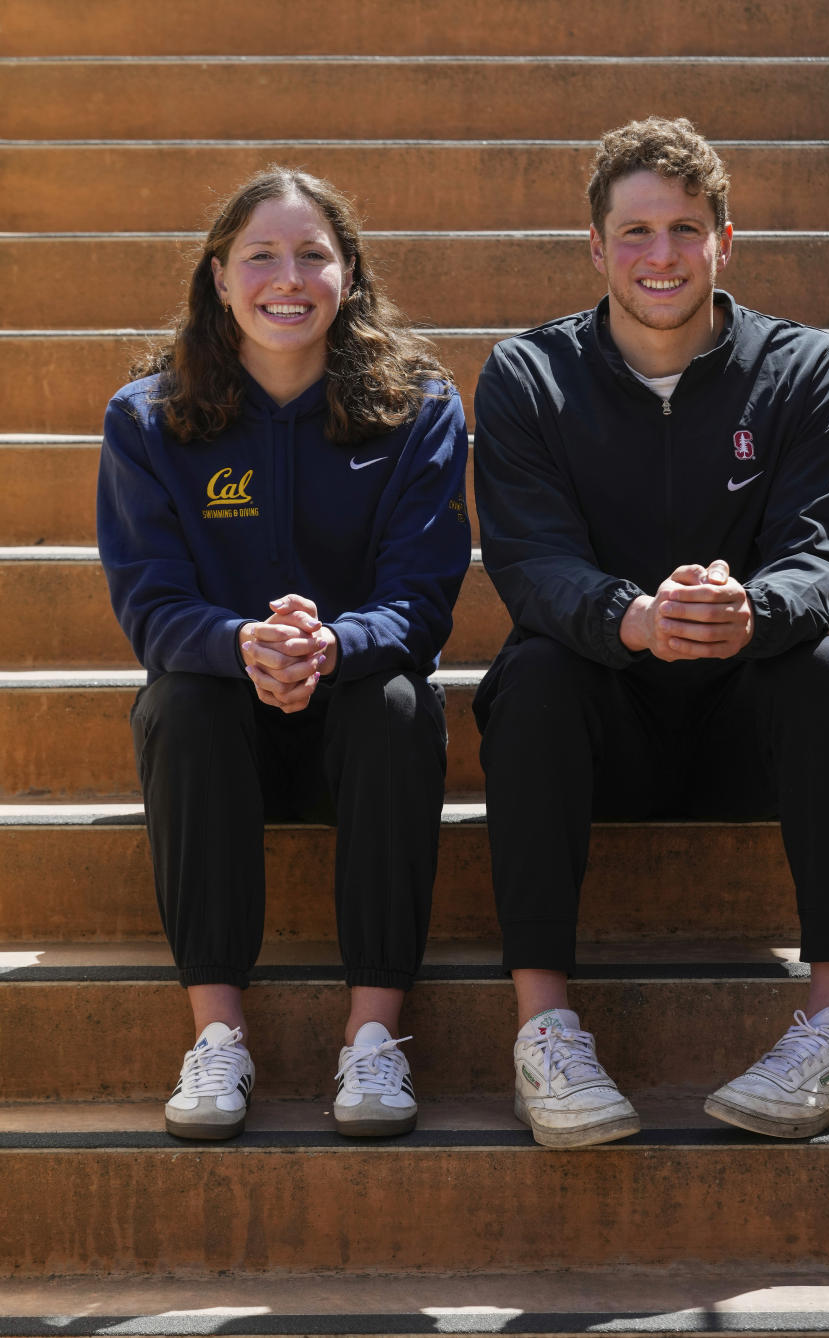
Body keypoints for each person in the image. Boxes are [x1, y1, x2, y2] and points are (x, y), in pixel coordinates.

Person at [472, 117, 829, 1148]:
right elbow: (528, 560)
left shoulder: (802, 368)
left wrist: (752, 611)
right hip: (601, 729)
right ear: (597, 248)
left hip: (748, 727)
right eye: (637, 232)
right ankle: (545, 1031)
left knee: (828, 673)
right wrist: (632, 618)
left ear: (724, 243)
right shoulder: (529, 374)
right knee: (530, 678)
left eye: (686, 230)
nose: (663, 256)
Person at [98, 166, 470, 1141]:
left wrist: (328, 644)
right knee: (181, 700)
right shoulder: (146, 419)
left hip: (357, 723)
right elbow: (151, 605)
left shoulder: (419, 409)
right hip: (225, 733)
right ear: (219, 276)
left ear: (350, 274)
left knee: (398, 700)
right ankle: (219, 1037)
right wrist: (242, 643)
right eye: (261, 254)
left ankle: (373, 1039)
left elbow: (422, 599)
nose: (287, 276)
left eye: (314, 254)